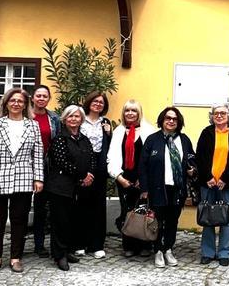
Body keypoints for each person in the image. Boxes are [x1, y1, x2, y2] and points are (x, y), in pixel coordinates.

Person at [0, 88, 44, 274]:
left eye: (20, 101)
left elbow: (37, 155)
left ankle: (15, 258)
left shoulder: (33, 126)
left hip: (23, 177)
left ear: (25, 104)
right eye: (12, 101)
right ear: (6, 103)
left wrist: (39, 178)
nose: (16, 104)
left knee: (19, 220)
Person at [139, 107, 196, 268]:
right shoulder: (152, 140)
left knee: (172, 221)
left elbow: (192, 159)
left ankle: (168, 249)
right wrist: (144, 189)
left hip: (177, 188)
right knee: (157, 221)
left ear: (179, 122)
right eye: (168, 118)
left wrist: (192, 169)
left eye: (174, 119)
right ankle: (157, 250)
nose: (171, 121)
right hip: (157, 188)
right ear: (162, 121)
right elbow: (142, 166)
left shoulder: (184, 140)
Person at [44, 106, 95, 271]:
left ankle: (67, 250)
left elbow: (92, 158)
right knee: (60, 221)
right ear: (65, 120)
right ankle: (59, 256)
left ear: (81, 120)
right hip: (60, 187)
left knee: (72, 220)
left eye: (77, 116)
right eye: (70, 116)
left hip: (77, 188)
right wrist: (82, 176)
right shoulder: (60, 139)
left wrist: (90, 174)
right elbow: (62, 163)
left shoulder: (84, 139)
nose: (74, 119)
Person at [107, 100, 156, 258]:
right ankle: (128, 245)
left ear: (139, 113)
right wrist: (119, 177)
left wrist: (145, 179)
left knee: (144, 211)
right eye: (127, 110)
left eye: (133, 111)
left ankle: (145, 244)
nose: (130, 113)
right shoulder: (119, 132)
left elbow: (152, 158)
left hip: (144, 179)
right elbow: (112, 157)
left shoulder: (149, 131)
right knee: (127, 212)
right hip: (124, 179)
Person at [195, 103, 229, 266]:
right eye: (216, 113)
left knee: (225, 218)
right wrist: (208, 177)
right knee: (208, 216)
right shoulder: (206, 133)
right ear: (212, 116)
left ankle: (224, 253)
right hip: (207, 182)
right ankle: (207, 252)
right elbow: (199, 156)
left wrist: (225, 179)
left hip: (225, 183)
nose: (219, 116)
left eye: (222, 113)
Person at [76, 91, 112, 259]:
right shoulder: (80, 119)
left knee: (98, 206)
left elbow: (109, 146)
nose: (98, 104)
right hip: (82, 164)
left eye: (101, 102)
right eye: (95, 101)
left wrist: (109, 133)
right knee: (81, 204)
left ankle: (97, 244)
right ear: (89, 102)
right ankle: (80, 243)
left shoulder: (105, 123)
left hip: (99, 166)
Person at [30, 85, 60, 257]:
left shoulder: (54, 118)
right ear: (33, 98)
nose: (41, 99)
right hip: (26, 165)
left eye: (44, 96)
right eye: (38, 96)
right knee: (26, 204)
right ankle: (22, 240)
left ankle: (40, 244)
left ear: (48, 99)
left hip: (47, 167)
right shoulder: (25, 116)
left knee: (42, 207)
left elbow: (56, 142)